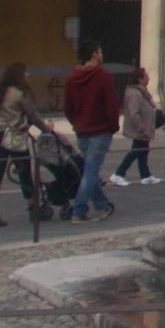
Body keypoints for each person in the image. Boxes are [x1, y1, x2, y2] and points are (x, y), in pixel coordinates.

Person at [0, 62, 50, 227]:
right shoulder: (21, 94)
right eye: (25, 73)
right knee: (25, 173)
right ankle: (33, 208)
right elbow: (32, 115)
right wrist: (46, 130)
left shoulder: (0, 92)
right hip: (14, 137)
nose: (27, 76)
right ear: (20, 76)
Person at [60, 42, 117, 223]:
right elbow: (111, 104)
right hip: (100, 130)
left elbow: (67, 107)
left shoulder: (72, 77)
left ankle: (101, 205)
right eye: (100, 51)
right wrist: (113, 126)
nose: (101, 54)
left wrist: (76, 121)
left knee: (89, 170)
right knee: (90, 172)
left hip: (81, 130)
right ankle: (78, 210)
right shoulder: (102, 76)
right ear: (94, 54)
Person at [113, 67, 164, 186]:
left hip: (145, 128)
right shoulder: (135, 94)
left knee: (143, 151)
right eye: (146, 76)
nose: (149, 78)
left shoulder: (143, 92)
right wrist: (141, 128)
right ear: (140, 79)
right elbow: (133, 113)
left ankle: (145, 175)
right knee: (136, 151)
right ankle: (118, 173)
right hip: (140, 129)